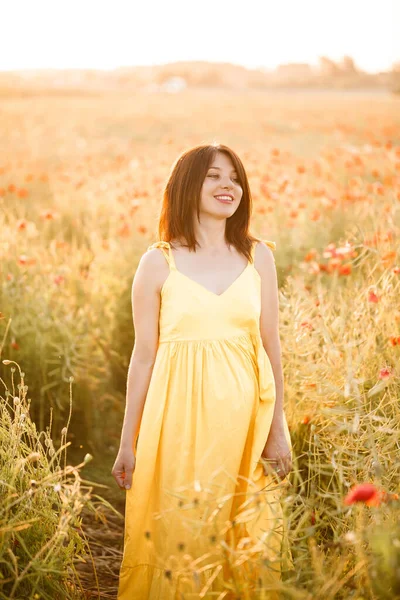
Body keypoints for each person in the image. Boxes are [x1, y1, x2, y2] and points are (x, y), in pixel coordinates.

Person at [112, 143, 293, 599]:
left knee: (242, 531)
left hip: (245, 424)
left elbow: (272, 346)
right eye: (213, 176)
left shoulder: (258, 257)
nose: (227, 185)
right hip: (178, 425)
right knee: (181, 529)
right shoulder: (158, 262)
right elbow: (144, 357)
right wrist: (127, 442)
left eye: (234, 177)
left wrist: (279, 429)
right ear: (187, 186)